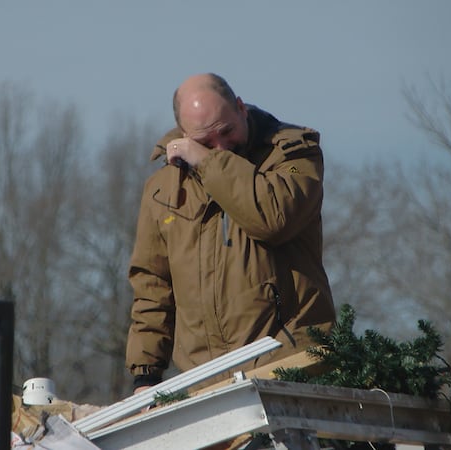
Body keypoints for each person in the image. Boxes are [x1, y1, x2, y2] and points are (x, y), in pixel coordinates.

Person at [126, 73, 335, 392]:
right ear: (184, 135)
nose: (221, 147)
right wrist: (147, 374)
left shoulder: (293, 157)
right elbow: (153, 285)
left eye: (227, 131)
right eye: (206, 142)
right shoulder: (162, 189)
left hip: (290, 367)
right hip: (203, 382)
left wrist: (207, 160)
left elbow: (273, 218)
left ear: (241, 108)